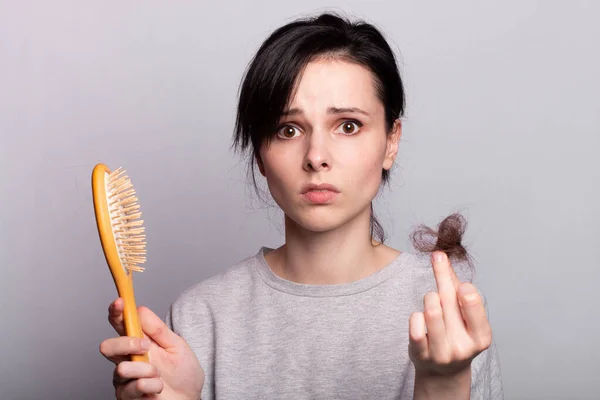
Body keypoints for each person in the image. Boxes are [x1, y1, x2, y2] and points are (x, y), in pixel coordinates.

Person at [99, 12, 503, 400]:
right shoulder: (201, 318)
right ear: (259, 153)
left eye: (348, 125)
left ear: (391, 141)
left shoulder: (447, 312)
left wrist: (443, 384)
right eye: (288, 129)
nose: (316, 156)